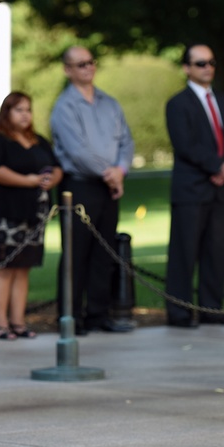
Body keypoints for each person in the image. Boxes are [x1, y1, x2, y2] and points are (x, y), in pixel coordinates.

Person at [50, 45, 135, 335]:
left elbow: (126, 141)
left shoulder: (110, 103)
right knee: (76, 254)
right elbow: (77, 151)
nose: (88, 68)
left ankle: (99, 314)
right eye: (80, 64)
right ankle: (70, 317)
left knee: (105, 252)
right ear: (68, 69)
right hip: (79, 186)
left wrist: (119, 171)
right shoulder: (64, 107)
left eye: (90, 62)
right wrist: (108, 173)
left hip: (109, 186)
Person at [164, 44, 224, 328]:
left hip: (221, 190)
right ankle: (180, 312)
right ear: (186, 68)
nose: (207, 67)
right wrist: (217, 166)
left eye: (211, 62)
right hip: (192, 190)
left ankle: (212, 309)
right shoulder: (177, 104)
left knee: (216, 252)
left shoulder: (223, 101)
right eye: (200, 63)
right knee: (184, 254)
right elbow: (185, 145)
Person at [0, 92, 63, 340]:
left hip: (35, 213)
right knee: (4, 266)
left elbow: (57, 167)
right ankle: (0, 324)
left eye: (28, 109)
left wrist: (50, 180)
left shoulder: (38, 140)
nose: (25, 115)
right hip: (6, 212)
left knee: (24, 267)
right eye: (19, 110)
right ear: (7, 112)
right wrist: (29, 180)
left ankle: (18, 322)